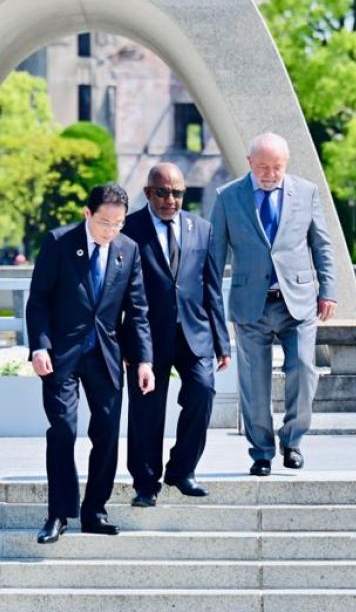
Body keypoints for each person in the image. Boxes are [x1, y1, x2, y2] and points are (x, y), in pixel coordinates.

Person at [27, 183, 153, 544]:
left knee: (108, 433)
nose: (110, 231)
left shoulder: (128, 250)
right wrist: (39, 346)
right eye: (103, 223)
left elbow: (138, 310)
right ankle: (58, 514)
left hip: (107, 355)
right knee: (63, 430)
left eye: (117, 224)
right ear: (87, 213)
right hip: (61, 356)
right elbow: (39, 301)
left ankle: (95, 509)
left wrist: (143, 360)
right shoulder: (59, 242)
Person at [210, 132, 337, 476]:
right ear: (250, 162)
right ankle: (262, 451)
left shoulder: (307, 192)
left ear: (286, 164)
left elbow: (322, 245)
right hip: (251, 303)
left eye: (276, 167)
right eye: (263, 166)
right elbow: (214, 255)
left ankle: (293, 440)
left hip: (297, 301)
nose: (269, 173)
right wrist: (209, 309)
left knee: (303, 370)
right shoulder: (227, 197)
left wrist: (329, 289)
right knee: (254, 381)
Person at [120, 163, 229, 505]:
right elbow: (118, 289)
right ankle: (145, 484)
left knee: (203, 390)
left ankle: (182, 470)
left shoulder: (203, 229)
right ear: (148, 192)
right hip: (147, 336)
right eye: (164, 192)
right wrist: (123, 342)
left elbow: (211, 288)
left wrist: (222, 341)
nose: (171, 200)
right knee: (146, 411)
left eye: (178, 193)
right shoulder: (130, 229)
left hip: (194, 332)